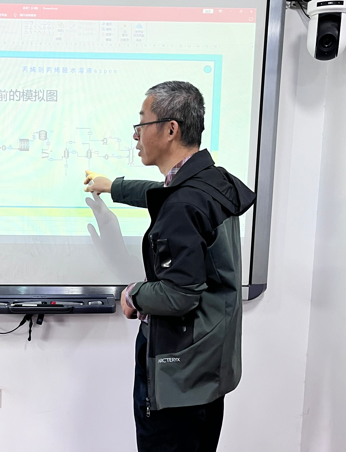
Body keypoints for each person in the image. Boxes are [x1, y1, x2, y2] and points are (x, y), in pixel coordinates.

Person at [84, 81, 255, 452]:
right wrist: (113, 187)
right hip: (207, 369)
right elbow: (163, 194)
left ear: (171, 129)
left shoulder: (183, 204)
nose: (136, 135)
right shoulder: (210, 181)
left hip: (179, 378)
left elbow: (178, 295)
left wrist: (133, 294)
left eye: (141, 123)